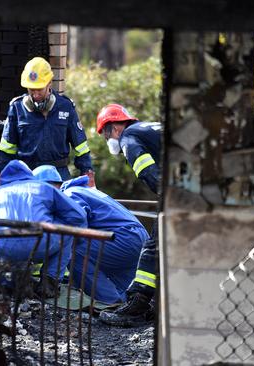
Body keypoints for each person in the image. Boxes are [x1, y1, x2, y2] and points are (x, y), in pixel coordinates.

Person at [33, 165, 148, 306]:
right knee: (127, 290)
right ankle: (131, 307)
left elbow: (73, 226)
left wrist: (50, 272)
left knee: (71, 249)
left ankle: (110, 303)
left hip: (122, 239)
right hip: (137, 239)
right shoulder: (84, 190)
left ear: (47, 188)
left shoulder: (69, 194)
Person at [95, 103, 162, 327]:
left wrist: (170, 196)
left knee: (152, 248)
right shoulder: (147, 128)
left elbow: (147, 171)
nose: (108, 142)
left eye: (105, 136)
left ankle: (137, 305)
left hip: (184, 189)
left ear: (114, 128)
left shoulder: (129, 137)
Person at [0, 57, 95, 185]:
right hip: (27, 176)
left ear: (49, 83)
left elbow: (81, 147)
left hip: (59, 176)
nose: (35, 94)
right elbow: (6, 150)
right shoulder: (17, 108)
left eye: (39, 89)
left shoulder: (66, 107)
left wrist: (87, 171)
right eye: (31, 90)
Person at [0, 160, 86, 298]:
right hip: (40, 241)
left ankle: (9, 283)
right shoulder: (42, 187)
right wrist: (54, 218)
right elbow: (79, 215)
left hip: (4, 246)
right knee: (68, 231)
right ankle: (49, 284)